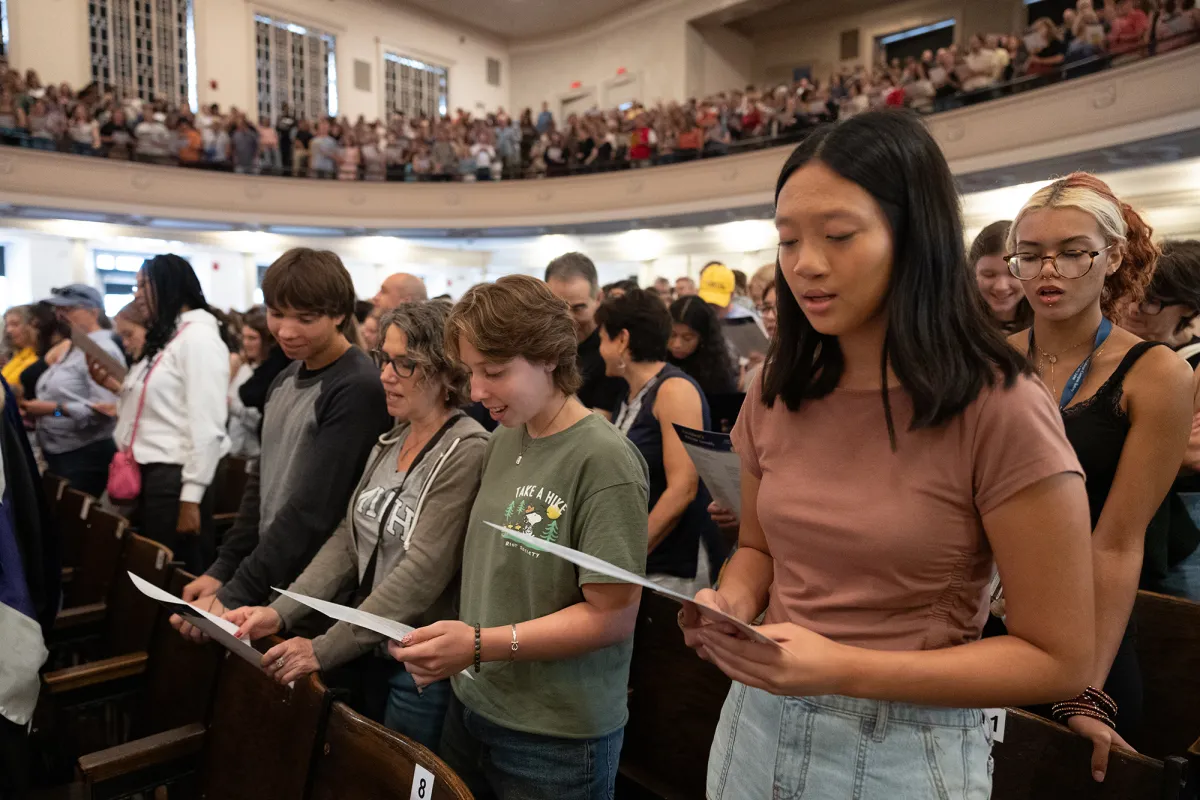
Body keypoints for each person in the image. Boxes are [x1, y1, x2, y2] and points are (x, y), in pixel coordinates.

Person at [681, 111, 1098, 799]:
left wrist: (840, 668)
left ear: (914, 238)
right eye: (788, 241)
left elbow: (1059, 658)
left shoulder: (998, 406)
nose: (806, 263)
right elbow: (757, 548)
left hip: (905, 745)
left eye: (839, 236)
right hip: (755, 725)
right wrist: (731, 600)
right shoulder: (780, 388)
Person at [388, 274, 649, 800]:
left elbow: (613, 615)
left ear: (550, 357)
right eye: (470, 372)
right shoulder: (506, 437)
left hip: (553, 734)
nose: (477, 392)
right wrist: (453, 646)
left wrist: (480, 645)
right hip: (478, 703)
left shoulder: (603, 459)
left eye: (495, 372)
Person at [225, 301, 488, 750]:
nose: (386, 374)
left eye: (405, 364)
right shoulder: (392, 439)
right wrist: (280, 610)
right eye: (384, 359)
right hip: (366, 647)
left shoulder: (466, 450)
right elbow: (348, 542)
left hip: (414, 663)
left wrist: (323, 648)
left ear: (447, 371)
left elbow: (421, 573)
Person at [1003, 172, 1192, 774]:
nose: (1048, 271)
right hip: (990, 623)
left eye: (1072, 253)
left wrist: (1086, 686)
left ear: (1111, 257)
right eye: (1029, 256)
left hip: (1089, 629)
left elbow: (1116, 542)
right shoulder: (989, 359)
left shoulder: (1154, 372)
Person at [171, 248, 390, 636]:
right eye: (277, 314)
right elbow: (261, 483)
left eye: (305, 319)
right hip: (270, 574)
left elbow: (314, 511)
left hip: (315, 590)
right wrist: (224, 570)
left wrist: (236, 592)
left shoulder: (357, 386)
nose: (286, 331)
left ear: (339, 314)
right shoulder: (285, 378)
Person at [88, 256, 231, 573]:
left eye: (143, 285)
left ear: (169, 286)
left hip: (178, 474)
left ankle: (180, 625)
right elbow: (164, 403)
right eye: (135, 286)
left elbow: (207, 424)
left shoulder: (199, 339)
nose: (136, 294)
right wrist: (117, 388)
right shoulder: (171, 336)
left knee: (176, 570)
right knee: (156, 566)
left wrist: (191, 497)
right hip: (155, 471)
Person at [597, 289, 719, 596]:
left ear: (622, 340)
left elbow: (683, 488)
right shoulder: (628, 395)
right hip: (643, 562)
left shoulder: (673, 390)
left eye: (602, 339)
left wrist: (626, 557)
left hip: (670, 565)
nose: (599, 350)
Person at [1123, 239, 1200, 601]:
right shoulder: (1136, 357)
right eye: (1135, 294)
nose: (1136, 308)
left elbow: (1192, 454)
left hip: (1186, 519)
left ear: (1186, 307)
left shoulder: (1191, 363)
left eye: (1153, 301)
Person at [18, 287, 123, 497]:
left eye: (69, 309)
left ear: (93, 312)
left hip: (84, 455)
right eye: (58, 310)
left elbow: (107, 411)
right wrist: (46, 411)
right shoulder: (73, 346)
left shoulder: (100, 349)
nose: (61, 316)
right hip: (62, 453)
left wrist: (53, 410)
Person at [544, 252, 626, 416]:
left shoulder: (612, 352)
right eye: (559, 308)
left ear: (598, 298)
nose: (568, 318)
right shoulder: (544, 345)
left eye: (578, 308)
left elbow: (602, 423)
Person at [667, 296, 738, 396]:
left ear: (703, 338)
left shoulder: (717, 375)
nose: (677, 344)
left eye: (687, 338)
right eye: (672, 335)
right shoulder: (657, 361)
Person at [972, 220, 1033, 333]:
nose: (1001, 287)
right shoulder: (956, 327)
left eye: (1014, 273)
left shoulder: (1049, 324)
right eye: (988, 275)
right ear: (973, 273)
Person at [227, 309, 273, 459]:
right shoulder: (243, 368)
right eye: (244, 337)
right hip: (235, 451)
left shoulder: (269, 375)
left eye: (252, 338)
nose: (246, 343)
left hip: (256, 453)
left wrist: (231, 405)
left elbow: (263, 420)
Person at [2, 306, 38, 389]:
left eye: (15, 324)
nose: (9, 330)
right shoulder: (15, 357)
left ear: (31, 326)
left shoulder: (39, 358)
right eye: (7, 325)